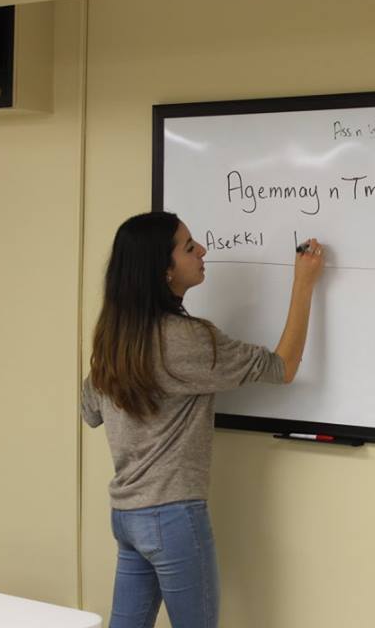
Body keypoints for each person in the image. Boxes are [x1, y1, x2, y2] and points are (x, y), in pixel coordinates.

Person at [81, 211, 326, 628]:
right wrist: (304, 283)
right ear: (163, 269)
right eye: (188, 245)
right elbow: (282, 367)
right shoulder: (187, 338)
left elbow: (90, 412)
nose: (202, 250)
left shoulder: (115, 338)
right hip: (172, 516)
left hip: (127, 516)